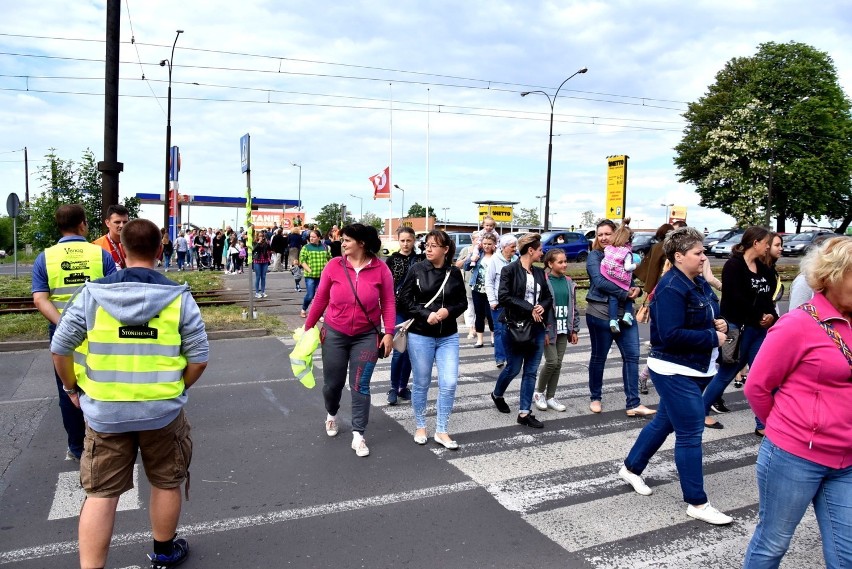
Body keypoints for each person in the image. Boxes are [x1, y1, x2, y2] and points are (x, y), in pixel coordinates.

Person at [50, 218, 208, 568]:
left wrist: (70, 387)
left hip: (105, 412)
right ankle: (164, 553)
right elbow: (199, 358)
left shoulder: (93, 295)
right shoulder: (179, 298)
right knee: (166, 482)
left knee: (101, 494)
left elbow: (60, 348)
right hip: (162, 413)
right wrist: (178, 386)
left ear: (119, 248)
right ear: (160, 249)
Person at [742, 236, 852, 568]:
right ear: (833, 275)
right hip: (794, 456)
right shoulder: (798, 324)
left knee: (846, 554)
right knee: (773, 543)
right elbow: (757, 387)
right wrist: (788, 427)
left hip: (846, 460)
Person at [618, 227, 733, 526]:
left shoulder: (699, 283)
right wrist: (711, 336)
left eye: (703, 251)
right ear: (679, 256)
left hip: (697, 368)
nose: (703, 256)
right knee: (691, 432)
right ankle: (697, 501)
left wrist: (717, 321)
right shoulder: (671, 287)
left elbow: (708, 312)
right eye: (698, 253)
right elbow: (668, 335)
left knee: (664, 422)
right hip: (674, 369)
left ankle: (631, 468)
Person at [31, 204, 117, 462]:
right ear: (83, 224)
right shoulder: (100, 255)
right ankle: (104, 440)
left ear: (59, 226)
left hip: (61, 331)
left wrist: (64, 325)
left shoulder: (44, 257)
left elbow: (39, 299)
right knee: (100, 384)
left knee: (68, 388)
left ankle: (78, 448)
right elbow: (112, 294)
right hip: (96, 330)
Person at [304, 224, 395, 457]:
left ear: (361, 243)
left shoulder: (380, 269)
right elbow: (320, 298)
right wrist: (307, 328)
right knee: (332, 383)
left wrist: (389, 333)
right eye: (342, 240)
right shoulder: (334, 266)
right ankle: (332, 414)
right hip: (335, 333)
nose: (342, 243)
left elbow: (388, 303)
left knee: (360, 384)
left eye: (346, 240)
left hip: (366, 336)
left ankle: (358, 434)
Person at [398, 230, 467, 448]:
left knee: (449, 383)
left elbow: (462, 303)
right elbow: (404, 300)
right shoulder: (417, 269)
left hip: (448, 335)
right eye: (426, 245)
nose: (428, 249)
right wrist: (426, 314)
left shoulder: (454, 273)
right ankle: (420, 425)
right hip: (420, 334)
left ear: (445, 250)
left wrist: (448, 312)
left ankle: (441, 430)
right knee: (421, 382)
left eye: (434, 245)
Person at [703, 226, 776, 429]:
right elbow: (734, 298)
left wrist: (771, 316)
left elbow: (767, 298)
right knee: (727, 373)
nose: (768, 247)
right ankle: (701, 410)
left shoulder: (765, 268)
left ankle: (762, 424)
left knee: (761, 375)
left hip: (759, 330)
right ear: (755, 243)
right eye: (766, 243)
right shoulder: (733, 266)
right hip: (738, 327)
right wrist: (759, 315)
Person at [586, 219, 656, 417]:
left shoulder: (623, 253)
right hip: (600, 313)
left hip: (625, 315)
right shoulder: (595, 256)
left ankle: (633, 403)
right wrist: (625, 294)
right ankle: (595, 397)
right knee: (599, 358)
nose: (603, 238)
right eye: (600, 235)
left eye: (607, 234)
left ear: (616, 234)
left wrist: (637, 290)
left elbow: (629, 278)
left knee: (632, 356)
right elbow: (599, 282)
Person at [490, 233, 552, 428]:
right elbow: (504, 297)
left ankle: (524, 413)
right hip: (515, 326)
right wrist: (530, 308)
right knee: (514, 368)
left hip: (537, 327)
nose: (543, 253)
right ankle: (497, 394)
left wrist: (542, 305)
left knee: (531, 371)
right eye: (540, 249)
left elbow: (548, 297)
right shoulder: (509, 270)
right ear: (531, 250)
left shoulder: (540, 272)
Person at [533, 249, 579, 412]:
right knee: (552, 361)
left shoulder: (568, 281)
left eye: (565, 261)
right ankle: (539, 393)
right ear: (550, 264)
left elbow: (574, 307)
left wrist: (573, 329)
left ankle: (551, 396)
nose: (565, 264)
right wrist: (543, 330)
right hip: (549, 328)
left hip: (563, 328)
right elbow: (539, 308)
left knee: (558, 364)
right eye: (560, 262)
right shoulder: (544, 281)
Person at [385, 226, 425, 405]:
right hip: (398, 309)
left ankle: (403, 387)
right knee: (399, 351)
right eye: (403, 240)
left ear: (414, 240)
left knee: (410, 352)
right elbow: (385, 285)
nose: (406, 244)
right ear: (398, 241)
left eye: (409, 240)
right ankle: (393, 387)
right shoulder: (392, 260)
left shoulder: (422, 259)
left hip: (416, 311)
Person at [600, 218, 640, 333]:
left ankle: (613, 320)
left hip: (609, 275)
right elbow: (627, 268)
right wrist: (636, 265)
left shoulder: (609, 248)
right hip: (622, 278)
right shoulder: (626, 252)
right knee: (628, 294)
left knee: (613, 298)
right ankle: (627, 315)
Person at [485, 234, 518, 368]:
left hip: (514, 302)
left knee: (514, 330)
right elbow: (489, 281)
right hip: (499, 303)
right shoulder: (495, 260)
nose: (515, 249)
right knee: (499, 330)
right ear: (504, 247)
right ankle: (500, 358)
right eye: (512, 247)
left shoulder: (516, 259)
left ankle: (512, 356)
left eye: (515, 246)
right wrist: (492, 300)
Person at [464, 232, 497, 348]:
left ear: (494, 244)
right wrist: (472, 258)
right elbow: (466, 267)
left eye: (489, 244)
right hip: (477, 288)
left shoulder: (497, 256)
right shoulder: (478, 254)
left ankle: (493, 338)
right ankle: (479, 340)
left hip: (492, 290)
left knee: (491, 315)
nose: (487, 246)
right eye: (484, 243)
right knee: (479, 315)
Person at [299, 229, 331, 318]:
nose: (311, 239)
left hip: (322, 276)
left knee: (321, 296)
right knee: (310, 295)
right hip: (310, 276)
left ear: (319, 238)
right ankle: (303, 309)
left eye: (314, 237)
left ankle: (319, 314)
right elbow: (302, 261)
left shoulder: (325, 247)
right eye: (310, 237)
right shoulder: (306, 247)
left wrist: (327, 266)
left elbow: (330, 259)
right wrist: (309, 270)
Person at [92, 204, 130, 269]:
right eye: (117, 222)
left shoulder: (134, 244)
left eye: (125, 222)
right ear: (107, 223)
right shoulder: (96, 246)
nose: (122, 226)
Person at [252, 232, 272, 298]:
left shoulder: (265, 243)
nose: (261, 237)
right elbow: (254, 249)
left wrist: (267, 242)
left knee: (263, 277)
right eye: (259, 236)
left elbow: (269, 249)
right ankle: (257, 292)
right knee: (258, 277)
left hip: (265, 260)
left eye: (262, 236)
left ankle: (263, 291)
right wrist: (258, 243)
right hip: (257, 261)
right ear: (257, 236)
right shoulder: (255, 242)